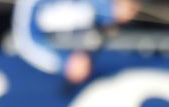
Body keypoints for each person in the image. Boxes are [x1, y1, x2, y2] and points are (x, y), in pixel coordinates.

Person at [13, 0, 141, 84]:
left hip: (109, 46)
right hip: (64, 72)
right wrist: (65, 62)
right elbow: (25, 40)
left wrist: (111, 8)